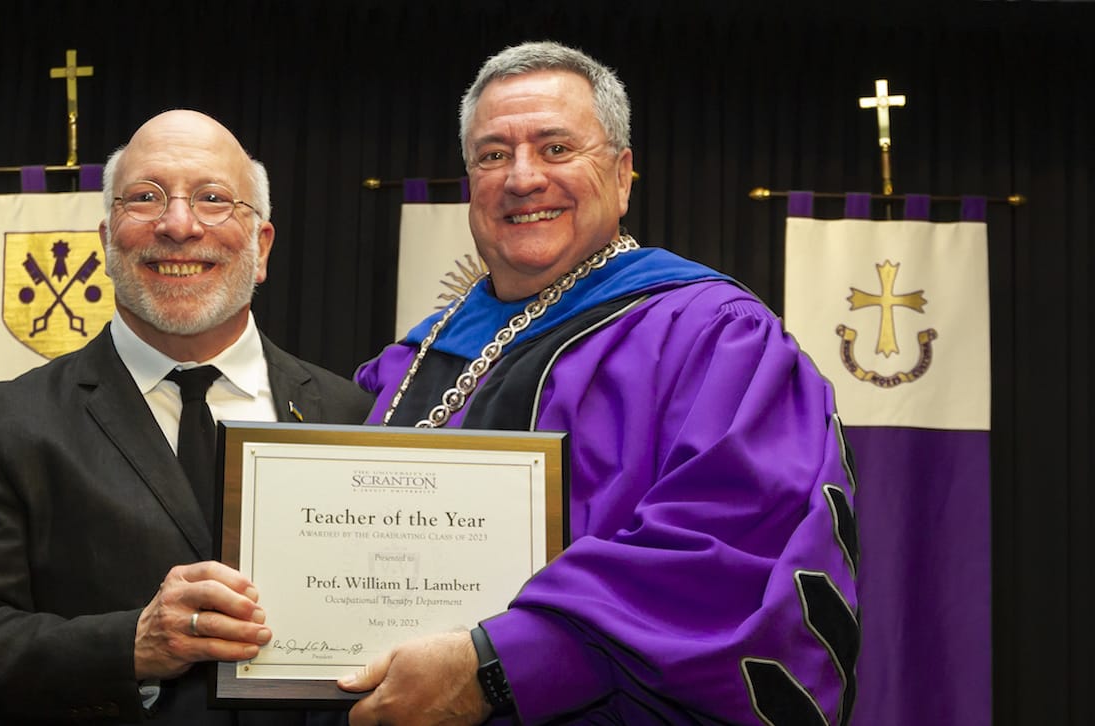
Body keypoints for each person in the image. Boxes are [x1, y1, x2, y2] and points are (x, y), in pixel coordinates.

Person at [341, 42, 860, 725]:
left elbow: (731, 551)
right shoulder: (408, 364)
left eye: (556, 148)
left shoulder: (715, 337)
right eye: (493, 155)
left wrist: (500, 667)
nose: (522, 178)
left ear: (621, 176)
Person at [0, 110, 371, 725]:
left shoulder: (351, 416)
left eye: (213, 199)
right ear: (106, 239)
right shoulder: (3, 422)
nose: (177, 224)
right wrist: (130, 646)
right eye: (146, 197)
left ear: (261, 247)